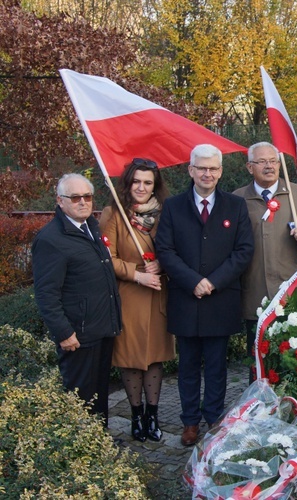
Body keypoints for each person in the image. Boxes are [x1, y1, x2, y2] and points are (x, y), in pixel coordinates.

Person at [155, 144, 254, 446]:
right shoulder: (173, 206)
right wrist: (193, 281)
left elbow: (244, 250)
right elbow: (165, 250)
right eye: (202, 168)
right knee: (187, 366)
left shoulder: (235, 206)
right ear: (191, 170)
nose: (207, 173)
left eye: (213, 168)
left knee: (216, 365)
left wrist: (213, 281)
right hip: (186, 298)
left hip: (220, 299)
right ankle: (189, 422)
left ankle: (213, 417)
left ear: (221, 171)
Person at [32, 173, 122, 426]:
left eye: (87, 196)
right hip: (78, 334)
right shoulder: (51, 239)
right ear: (60, 201)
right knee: (81, 396)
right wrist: (63, 332)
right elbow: (46, 293)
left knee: (100, 390)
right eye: (75, 197)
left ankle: (100, 441)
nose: (83, 202)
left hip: (102, 327)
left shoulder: (91, 227)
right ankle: (82, 446)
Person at [100, 158, 175, 442]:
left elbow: (176, 250)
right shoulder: (113, 213)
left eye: (148, 183)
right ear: (127, 183)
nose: (141, 188)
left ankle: (152, 416)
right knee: (131, 358)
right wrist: (137, 275)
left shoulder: (166, 213)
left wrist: (162, 265)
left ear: (156, 186)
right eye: (136, 182)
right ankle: (135, 415)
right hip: (130, 296)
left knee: (155, 357)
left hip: (158, 295)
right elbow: (108, 259)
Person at [233, 142, 297, 379]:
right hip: (255, 288)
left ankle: (289, 404)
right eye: (262, 162)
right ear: (250, 167)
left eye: (273, 161)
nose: (269, 166)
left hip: (290, 288)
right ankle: (257, 404)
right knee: (257, 356)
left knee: (292, 355)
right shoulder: (237, 198)